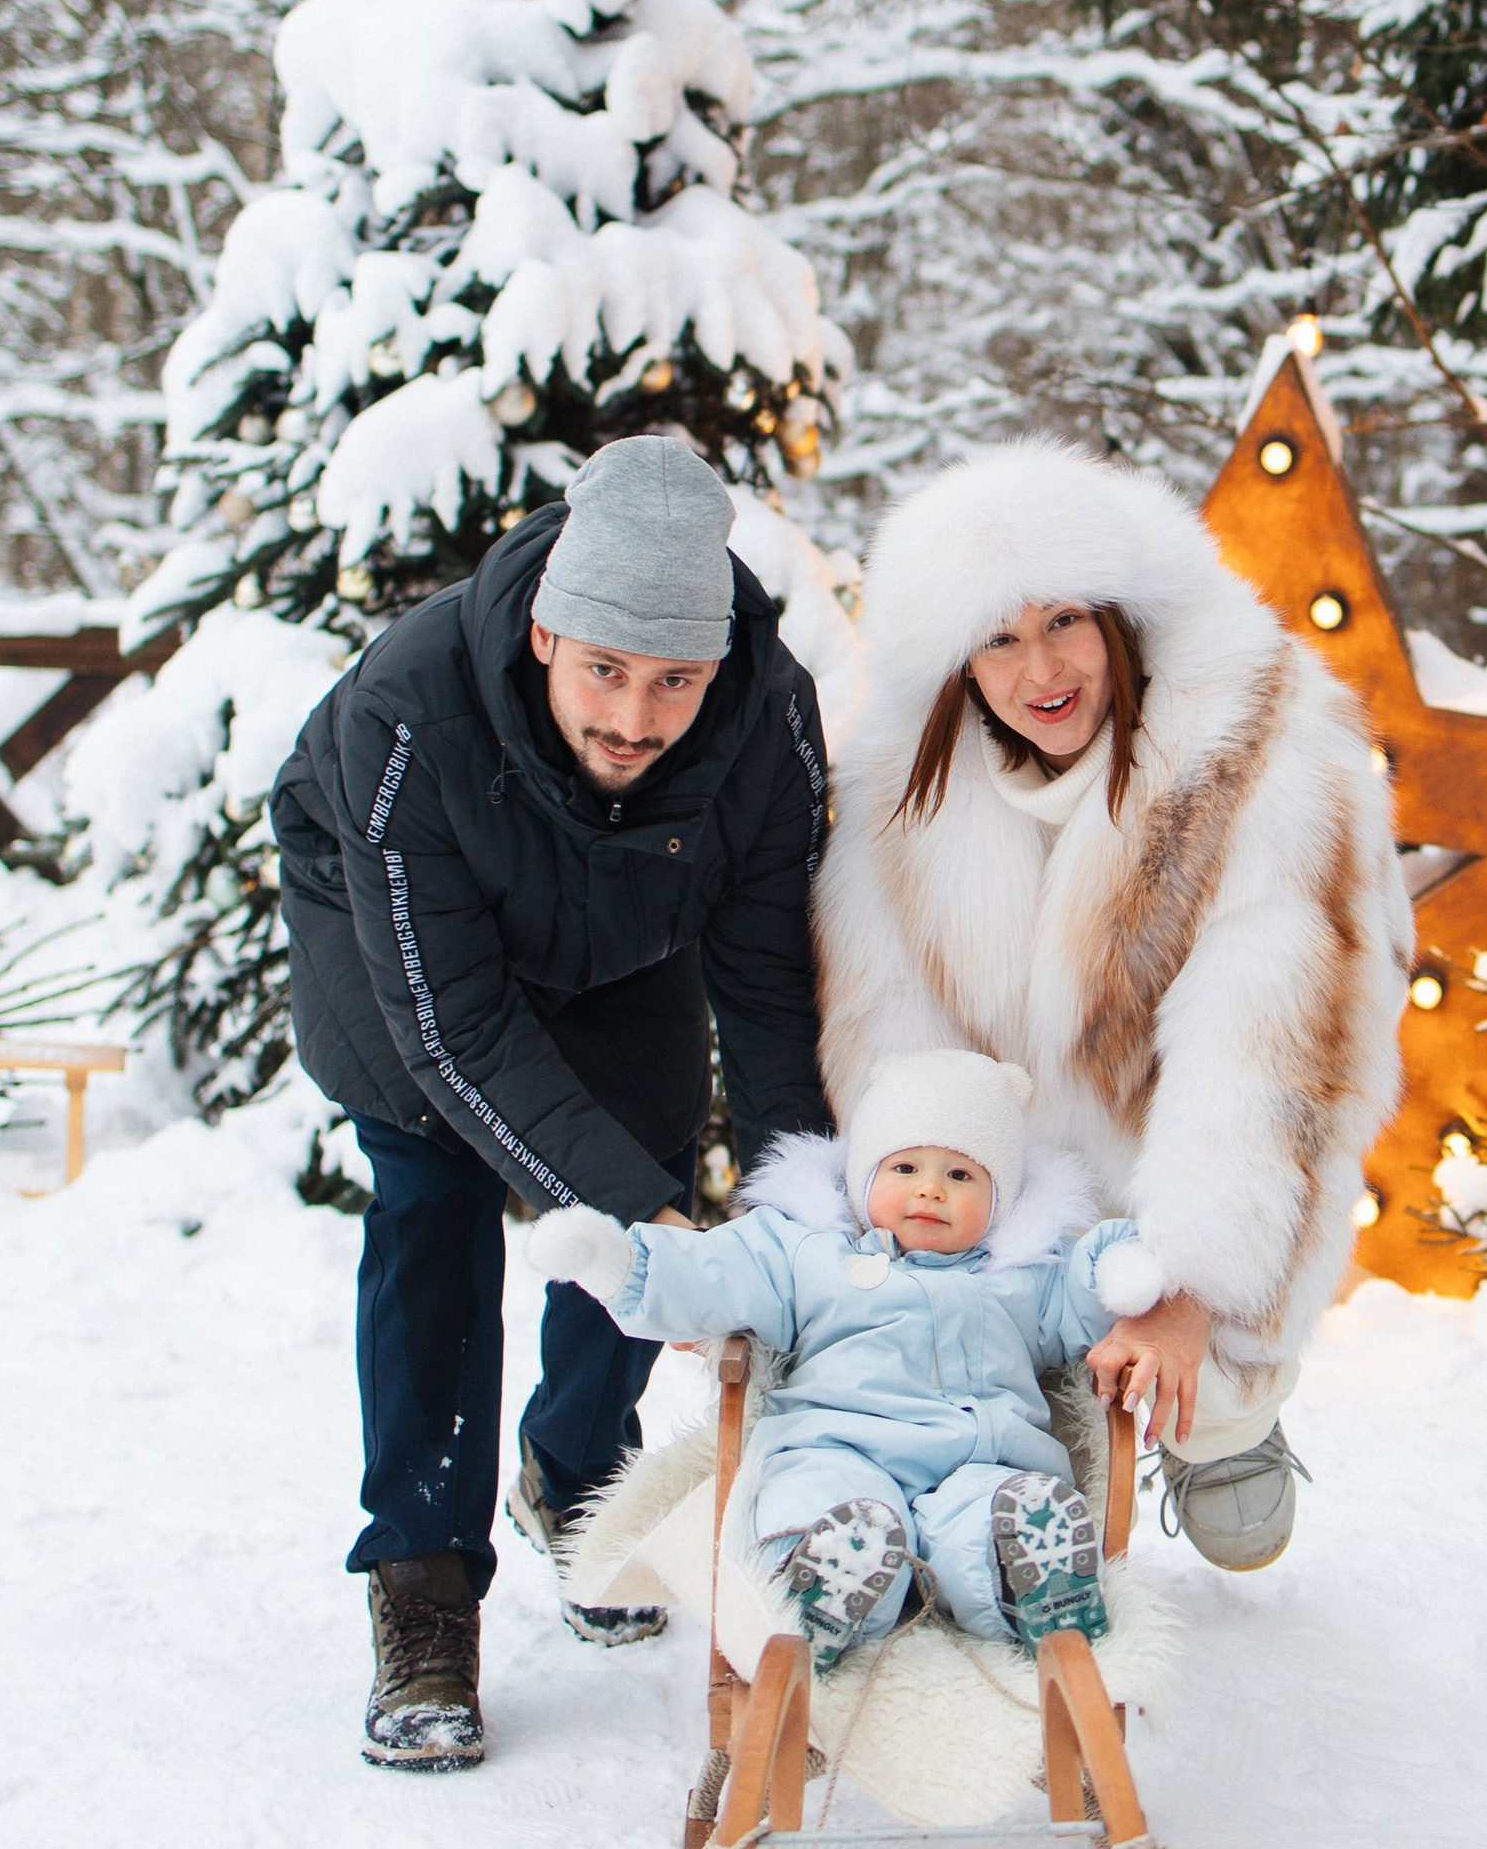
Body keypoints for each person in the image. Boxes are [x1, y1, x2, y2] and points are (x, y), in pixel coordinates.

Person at [272, 434, 832, 1771]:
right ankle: (422, 1584)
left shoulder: (770, 722)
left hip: (624, 926)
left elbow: (764, 996)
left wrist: (795, 1225)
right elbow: (456, 1029)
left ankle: (579, 1475)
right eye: (604, 672)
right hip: (403, 934)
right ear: (542, 633)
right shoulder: (408, 711)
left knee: (643, 1160)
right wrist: (646, 1219)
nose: (635, 718)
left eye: (674, 682)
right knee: (436, 1192)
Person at [813, 440, 1410, 1572]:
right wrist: (932, 1242)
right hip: (1019, 1174)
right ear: (956, 668)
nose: (1040, 666)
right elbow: (891, 1043)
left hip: (1172, 1141)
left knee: (1206, 1378)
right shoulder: (897, 798)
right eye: (996, 637)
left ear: (1121, 618)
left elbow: (1270, 1065)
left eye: (1064, 622)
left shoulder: (1259, 756)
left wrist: (1190, 1290)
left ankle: (1227, 1409)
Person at [538, 1048, 1137, 1664]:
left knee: (994, 1509)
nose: (930, 1188)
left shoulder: (1024, 1273)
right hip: (840, 1445)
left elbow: (1083, 1300)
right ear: (863, 1177)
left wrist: (1118, 1268)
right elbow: (719, 1270)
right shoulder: (807, 1253)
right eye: (905, 1167)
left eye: (961, 1176)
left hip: (979, 1457)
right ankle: (826, 1578)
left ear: (1001, 1197)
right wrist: (622, 1266)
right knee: (823, 1499)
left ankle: (1026, 1574)